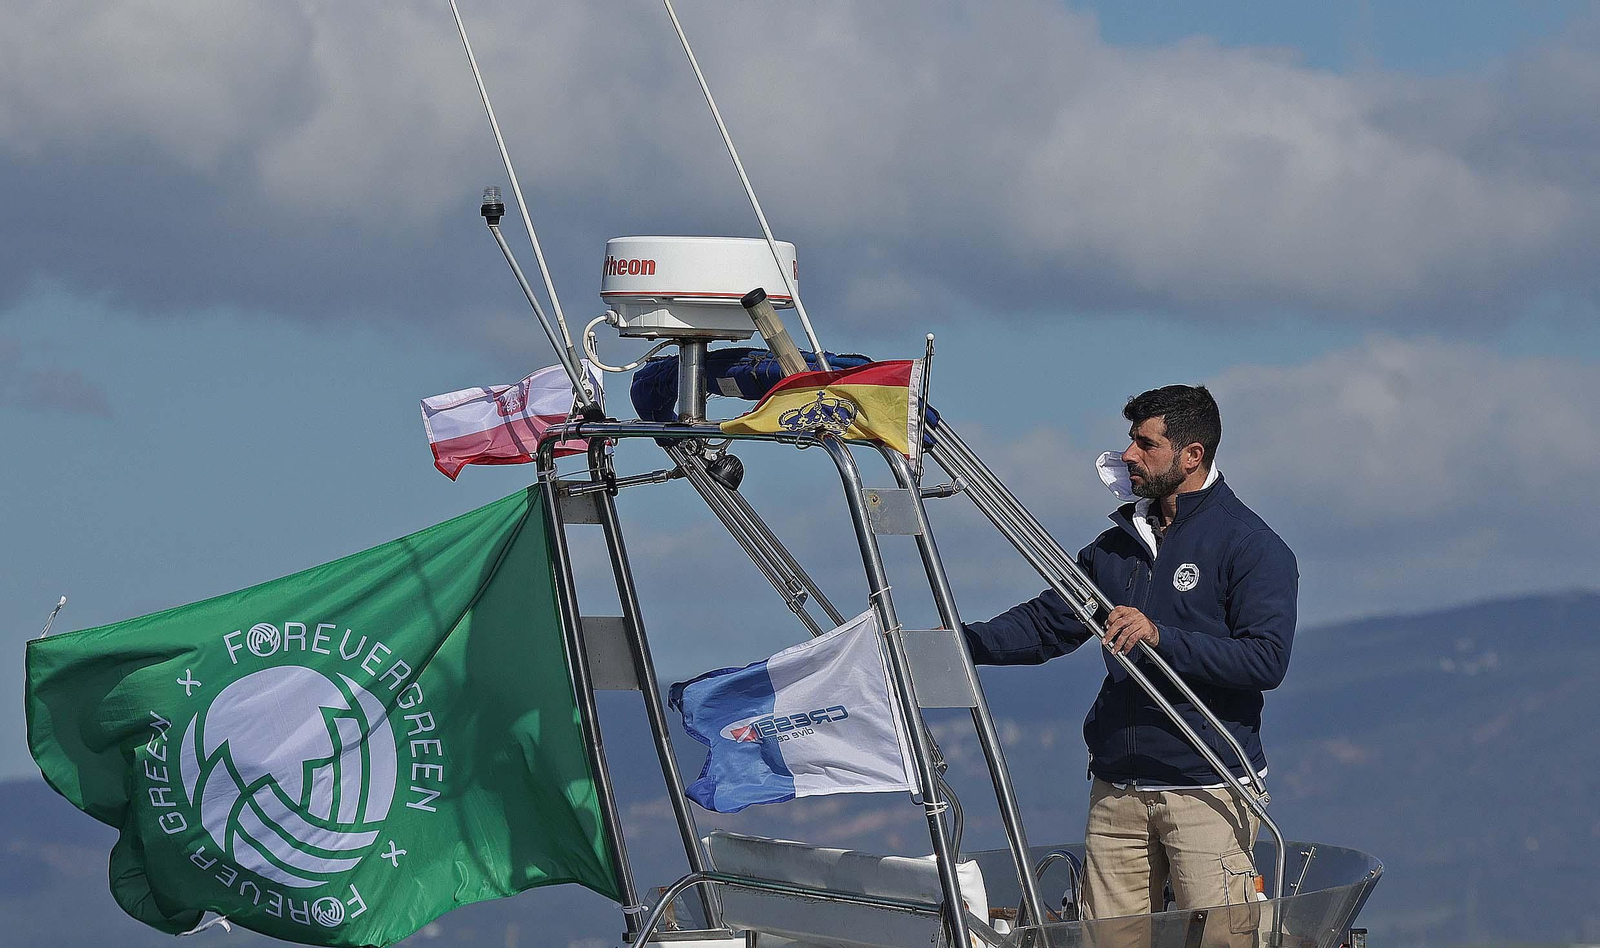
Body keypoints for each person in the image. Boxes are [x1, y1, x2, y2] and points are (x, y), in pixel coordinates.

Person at [962, 384, 1297, 928]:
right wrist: (958, 641)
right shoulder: (1115, 547)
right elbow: (1049, 624)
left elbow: (1265, 661)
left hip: (1208, 786)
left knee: (1221, 940)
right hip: (1118, 787)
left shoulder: (1252, 546)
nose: (1128, 456)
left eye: (1146, 444)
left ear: (1193, 456)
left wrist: (1161, 637)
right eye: (1130, 441)